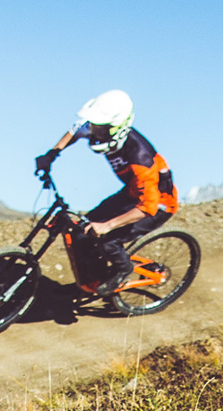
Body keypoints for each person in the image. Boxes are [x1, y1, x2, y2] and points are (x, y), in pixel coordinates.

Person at [33, 90, 179, 295]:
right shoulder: (103, 130)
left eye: (99, 127)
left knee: (107, 238)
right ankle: (95, 277)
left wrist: (107, 225)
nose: (93, 131)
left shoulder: (140, 157)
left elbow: (148, 207)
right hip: (131, 193)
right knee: (83, 227)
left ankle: (123, 268)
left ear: (116, 128)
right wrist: (52, 154)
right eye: (94, 125)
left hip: (158, 205)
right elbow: (75, 131)